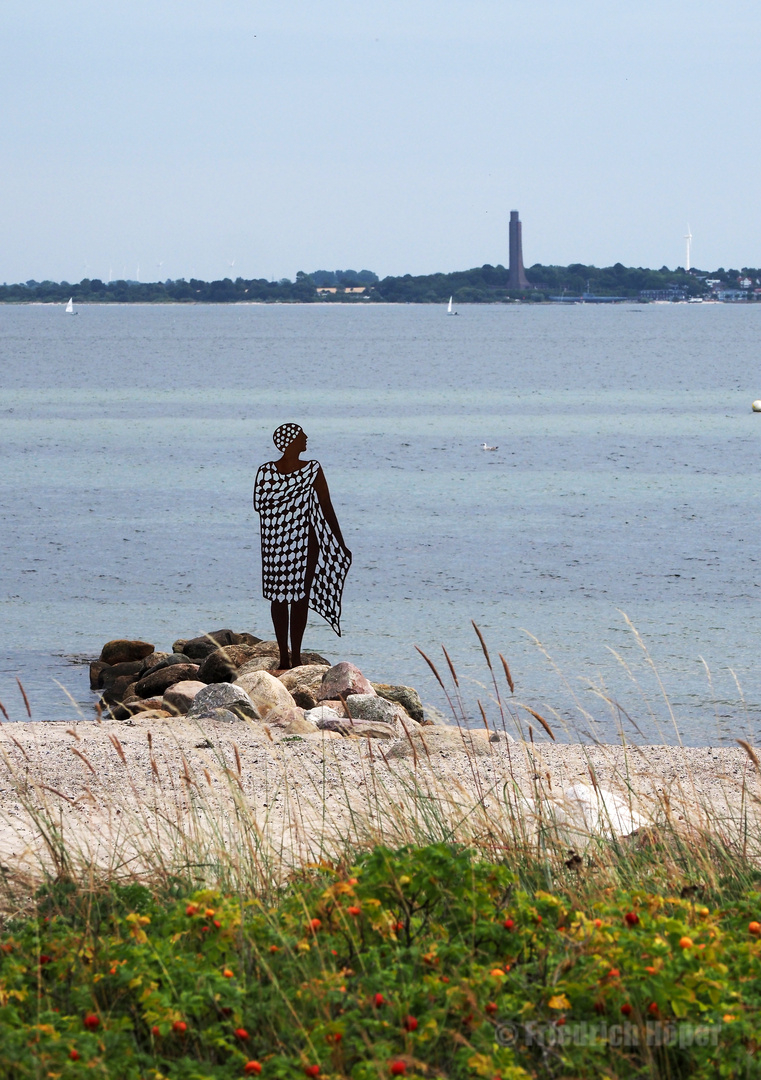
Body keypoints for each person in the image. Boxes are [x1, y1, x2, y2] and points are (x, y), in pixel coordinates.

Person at [253, 423, 351, 669]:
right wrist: (339, 541)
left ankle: (291, 657)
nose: (306, 437)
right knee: (285, 598)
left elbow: (325, 506)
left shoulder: (279, 471)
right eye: (301, 435)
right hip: (284, 543)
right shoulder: (294, 470)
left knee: (292, 599)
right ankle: (289, 657)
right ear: (290, 442)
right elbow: (325, 505)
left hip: (290, 543)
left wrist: (339, 541)